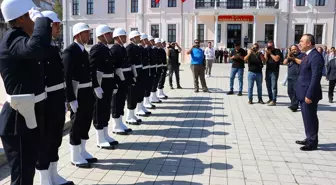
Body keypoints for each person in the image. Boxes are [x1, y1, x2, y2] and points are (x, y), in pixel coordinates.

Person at [0, 1, 51, 184]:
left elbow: (41, 47)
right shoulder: (13, 38)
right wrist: (41, 21)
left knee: (27, 172)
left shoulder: (20, 36)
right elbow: (37, 47)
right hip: (18, 121)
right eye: (33, 16)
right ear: (22, 18)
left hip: (26, 116)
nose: (37, 21)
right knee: (22, 176)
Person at [37, 11, 74, 185]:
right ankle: (44, 179)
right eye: (56, 24)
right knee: (44, 141)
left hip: (57, 99)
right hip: (46, 102)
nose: (58, 28)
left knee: (55, 138)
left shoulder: (53, 46)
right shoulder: (39, 48)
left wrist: (66, 98)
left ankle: (53, 174)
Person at [63, 22, 97, 168]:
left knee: (86, 121)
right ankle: (74, 155)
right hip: (77, 94)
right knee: (77, 123)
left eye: (89, 33)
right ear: (77, 35)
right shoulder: (69, 52)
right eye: (86, 33)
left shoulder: (84, 51)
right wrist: (70, 98)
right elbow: (66, 78)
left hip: (87, 92)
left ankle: (82, 151)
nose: (88, 36)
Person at [90, 25, 119, 149]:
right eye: (108, 34)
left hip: (108, 84)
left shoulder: (106, 48)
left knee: (106, 110)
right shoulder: (96, 49)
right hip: (101, 84)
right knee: (99, 111)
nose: (111, 36)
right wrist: (96, 86)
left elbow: (110, 69)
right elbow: (92, 69)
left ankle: (105, 135)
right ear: (102, 36)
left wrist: (113, 84)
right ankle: (99, 138)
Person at [296, 34, 324, 151]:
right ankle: (309, 137)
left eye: (302, 41)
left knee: (310, 117)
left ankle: (312, 142)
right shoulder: (307, 55)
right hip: (303, 92)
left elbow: (315, 77)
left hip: (309, 93)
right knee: (306, 117)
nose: (299, 43)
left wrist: (309, 94)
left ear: (309, 43)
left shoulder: (316, 57)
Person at [110, 28, 134, 134]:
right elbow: (113, 67)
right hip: (118, 79)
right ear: (117, 37)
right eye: (123, 36)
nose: (125, 38)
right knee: (116, 101)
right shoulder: (114, 49)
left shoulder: (122, 48)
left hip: (124, 79)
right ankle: (115, 125)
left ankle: (120, 122)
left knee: (121, 102)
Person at [125, 30, 143, 125]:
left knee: (136, 94)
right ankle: (129, 116)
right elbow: (130, 63)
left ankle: (133, 114)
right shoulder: (129, 48)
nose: (139, 38)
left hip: (138, 72)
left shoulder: (137, 47)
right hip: (133, 74)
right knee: (131, 95)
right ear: (132, 38)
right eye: (138, 37)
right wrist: (133, 75)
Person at [283, 45, 305, 112]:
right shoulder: (290, 56)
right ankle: (293, 103)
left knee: (296, 92)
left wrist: (294, 58)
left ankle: (294, 106)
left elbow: (302, 62)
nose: (293, 51)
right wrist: (288, 56)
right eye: (292, 50)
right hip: (290, 77)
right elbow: (284, 63)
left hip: (297, 76)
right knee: (290, 91)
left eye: (295, 49)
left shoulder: (302, 55)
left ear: (298, 49)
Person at [137, 33, 152, 115]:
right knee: (140, 90)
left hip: (145, 70)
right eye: (145, 39)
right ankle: (139, 108)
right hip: (141, 72)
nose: (147, 41)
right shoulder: (139, 48)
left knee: (144, 89)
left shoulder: (144, 48)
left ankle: (142, 106)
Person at [264, 40, 282, 106]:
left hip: (275, 70)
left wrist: (271, 53)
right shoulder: (267, 52)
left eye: (271, 46)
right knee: (268, 86)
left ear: (273, 45)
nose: (270, 47)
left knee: (274, 86)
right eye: (268, 46)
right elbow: (265, 60)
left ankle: (274, 100)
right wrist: (266, 53)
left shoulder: (277, 51)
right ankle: (270, 98)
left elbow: (276, 59)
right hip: (268, 70)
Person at [143, 35, 157, 109]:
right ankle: (146, 101)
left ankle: (147, 101)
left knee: (150, 85)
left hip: (150, 69)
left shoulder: (150, 49)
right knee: (147, 86)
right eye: (152, 41)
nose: (153, 42)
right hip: (147, 70)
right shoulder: (147, 49)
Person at [149, 38, 163, 103]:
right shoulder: (151, 49)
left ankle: (154, 96)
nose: (160, 44)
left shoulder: (156, 49)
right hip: (152, 68)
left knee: (156, 82)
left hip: (157, 67)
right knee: (153, 83)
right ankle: (152, 97)